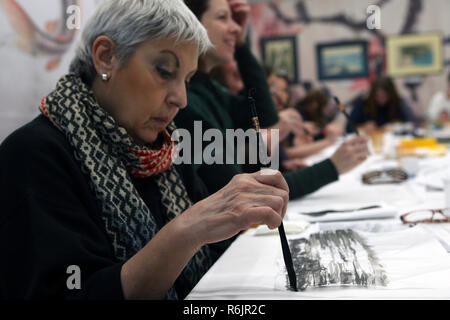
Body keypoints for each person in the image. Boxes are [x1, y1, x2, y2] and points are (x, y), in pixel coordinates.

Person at [0, 0, 290, 300]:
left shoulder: (166, 147)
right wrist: (187, 231)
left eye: (187, 79)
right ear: (106, 57)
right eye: (165, 71)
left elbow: (213, 260)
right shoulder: (33, 155)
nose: (181, 99)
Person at [176, 0, 369, 199]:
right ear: (192, 22)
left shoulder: (207, 89)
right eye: (223, 18)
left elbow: (265, 116)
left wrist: (241, 45)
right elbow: (241, 195)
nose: (235, 28)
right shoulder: (188, 101)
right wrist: (332, 167)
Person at [348, 76, 417, 134]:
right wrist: (363, 127)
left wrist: (396, 127)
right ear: (372, 95)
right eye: (377, 96)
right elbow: (348, 128)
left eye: (384, 96)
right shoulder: (363, 103)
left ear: (391, 94)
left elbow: (414, 123)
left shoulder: (398, 102)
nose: (381, 100)